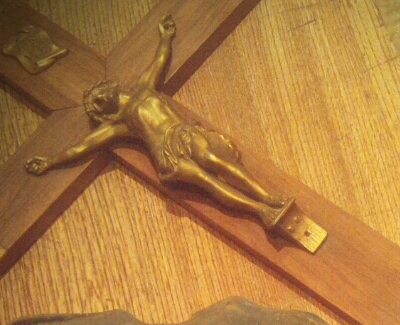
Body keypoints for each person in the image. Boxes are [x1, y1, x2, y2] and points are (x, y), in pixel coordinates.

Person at [25, 14, 294, 229]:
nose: (101, 98)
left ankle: (267, 196)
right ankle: (260, 211)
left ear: (108, 85)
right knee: (208, 183)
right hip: (166, 155)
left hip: (182, 134)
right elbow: (83, 146)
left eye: (99, 93)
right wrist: (50, 161)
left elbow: (159, 60)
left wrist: (165, 37)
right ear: (101, 111)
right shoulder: (120, 123)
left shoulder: (145, 88)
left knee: (216, 161)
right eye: (97, 102)